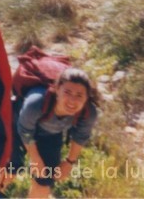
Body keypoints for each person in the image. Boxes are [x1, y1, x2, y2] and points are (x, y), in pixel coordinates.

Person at [12, 67, 100, 198]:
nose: (72, 100)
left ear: (87, 98)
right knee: (7, 171)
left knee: (44, 181)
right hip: (16, 125)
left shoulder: (88, 113)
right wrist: (35, 158)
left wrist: (69, 162)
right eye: (67, 92)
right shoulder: (36, 103)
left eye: (79, 95)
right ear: (57, 89)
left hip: (50, 134)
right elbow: (24, 130)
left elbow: (80, 136)